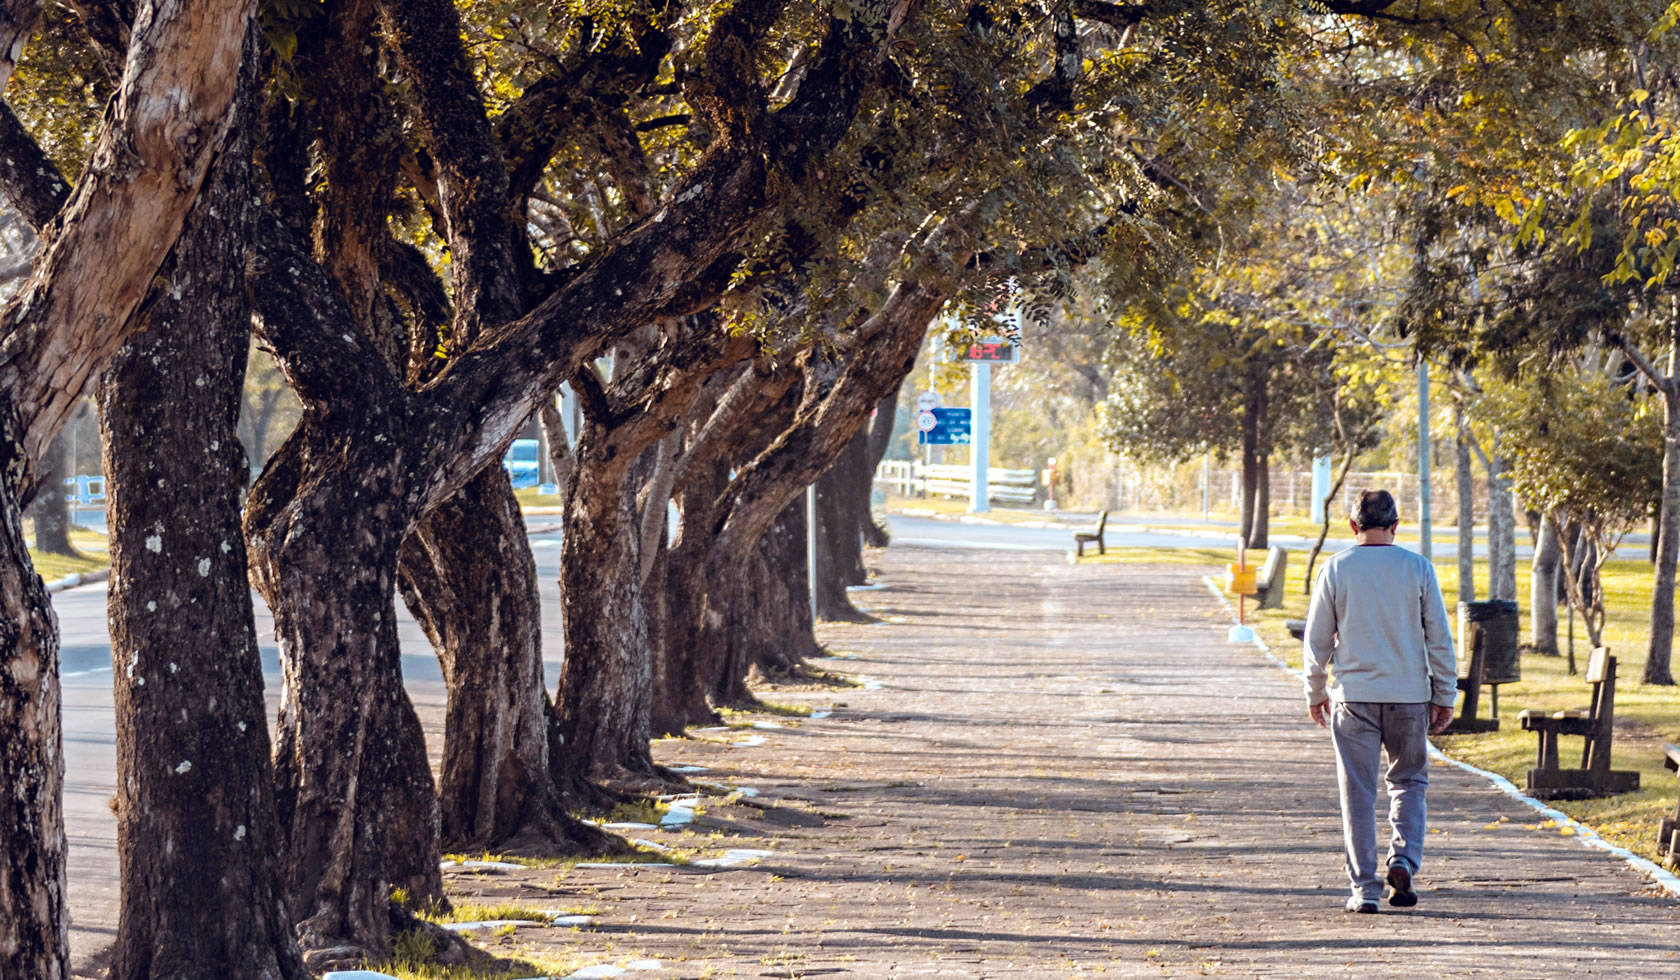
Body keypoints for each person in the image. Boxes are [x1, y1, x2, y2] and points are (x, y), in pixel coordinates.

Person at [1303, 489, 1456, 914]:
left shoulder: (1336, 569)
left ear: (1353, 526)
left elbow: (1317, 643)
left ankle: (1364, 891)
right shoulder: (1418, 569)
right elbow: (1439, 640)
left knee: (1358, 792)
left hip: (1354, 700)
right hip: (1409, 697)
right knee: (1408, 782)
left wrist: (1315, 693)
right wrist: (1444, 695)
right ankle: (1403, 859)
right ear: (1395, 525)